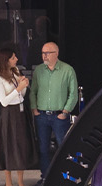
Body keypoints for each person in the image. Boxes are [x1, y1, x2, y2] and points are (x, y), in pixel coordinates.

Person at [29, 41, 78, 176]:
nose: (44, 56)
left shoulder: (67, 70)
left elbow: (73, 94)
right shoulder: (39, 70)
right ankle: (45, 178)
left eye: (47, 53)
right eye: (43, 53)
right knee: (43, 149)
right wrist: (34, 109)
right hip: (42, 116)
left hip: (59, 116)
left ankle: (66, 177)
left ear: (56, 54)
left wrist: (65, 112)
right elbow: (33, 91)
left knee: (63, 148)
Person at [0, 46, 35, 186]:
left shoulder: (15, 71)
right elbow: (3, 101)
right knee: (8, 145)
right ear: (6, 59)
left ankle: (21, 182)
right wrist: (18, 88)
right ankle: (9, 183)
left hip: (20, 111)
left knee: (22, 144)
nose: (16, 59)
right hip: (8, 113)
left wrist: (23, 86)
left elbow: (21, 95)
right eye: (13, 57)